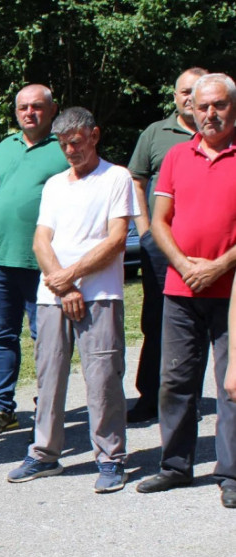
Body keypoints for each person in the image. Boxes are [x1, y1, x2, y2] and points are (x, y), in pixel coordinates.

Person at [6, 108, 138, 492]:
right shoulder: (54, 185)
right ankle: (44, 454)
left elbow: (115, 240)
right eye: (64, 145)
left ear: (94, 135)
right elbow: (40, 240)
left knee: (102, 378)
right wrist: (64, 287)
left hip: (101, 295)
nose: (70, 150)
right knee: (49, 376)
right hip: (53, 297)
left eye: (76, 142)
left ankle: (111, 458)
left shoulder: (116, 177)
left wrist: (72, 276)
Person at [137, 73, 236, 509]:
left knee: (232, 385)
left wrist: (217, 266)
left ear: (233, 107)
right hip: (180, 289)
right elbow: (160, 220)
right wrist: (182, 264)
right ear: (190, 109)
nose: (210, 114)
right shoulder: (177, 155)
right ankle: (175, 466)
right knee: (175, 380)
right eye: (203, 107)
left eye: (219, 105)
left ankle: (231, 473)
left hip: (231, 290)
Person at [0, 84, 70, 436]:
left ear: (52, 109)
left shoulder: (63, 149)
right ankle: (3, 408)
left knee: (44, 337)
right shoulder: (4, 147)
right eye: (23, 107)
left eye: (38, 107)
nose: (30, 113)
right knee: (2, 337)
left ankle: (47, 406)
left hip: (41, 264)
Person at [126, 68, 208, 423]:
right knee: (157, 320)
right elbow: (135, 180)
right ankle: (149, 397)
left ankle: (195, 396)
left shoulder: (221, 132)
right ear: (175, 96)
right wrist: (145, 231)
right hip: (161, 245)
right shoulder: (156, 134)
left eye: (196, 91)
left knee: (214, 321)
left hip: (212, 247)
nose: (189, 97)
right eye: (183, 91)